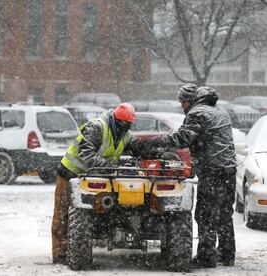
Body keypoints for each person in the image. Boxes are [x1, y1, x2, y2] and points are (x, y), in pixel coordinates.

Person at [140, 84, 237, 268]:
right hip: (229, 170)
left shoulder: (198, 113)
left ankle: (207, 257)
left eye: (183, 102)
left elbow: (181, 139)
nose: (182, 106)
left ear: (190, 100)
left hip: (213, 171)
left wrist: (153, 143)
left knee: (205, 214)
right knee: (225, 214)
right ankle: (227, 254)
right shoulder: (220, 111)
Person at [51, 102, 152, 264]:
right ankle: (60, 254)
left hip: (96, 175)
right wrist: (112, 167)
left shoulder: (124, 134)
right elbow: (87, 154)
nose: (125, 128)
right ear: (115, 120)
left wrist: (158, 149)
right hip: (70, 173)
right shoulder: (96, 127)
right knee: (63, 214)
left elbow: (138, 147)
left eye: (128, 125)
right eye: (123, 125)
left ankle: (81, 244)